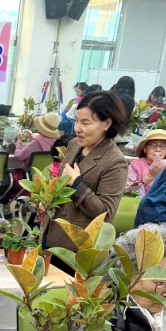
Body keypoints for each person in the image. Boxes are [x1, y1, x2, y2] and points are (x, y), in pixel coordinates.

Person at [47, 91, 128, 253]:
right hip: (51, 235)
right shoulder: (74, 145)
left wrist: (77, 184)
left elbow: (105, 214)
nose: (78, 128)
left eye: (86, 123)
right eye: (76, 121)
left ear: (106, 124)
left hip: (79, 248)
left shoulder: (115, 161)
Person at [126, 129, 166, 197]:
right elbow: (128, 192)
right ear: (145, 148)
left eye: (163, 146)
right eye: (153, 145)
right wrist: (150, 176)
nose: (158, 149)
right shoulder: (134, 166)